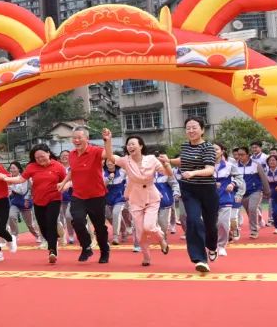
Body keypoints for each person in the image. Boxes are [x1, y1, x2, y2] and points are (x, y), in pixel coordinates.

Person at [101, 130, 172, 267]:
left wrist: (167, 164)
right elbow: (110, 157)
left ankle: (161, 239)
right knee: (140, 233)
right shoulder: (126, 161)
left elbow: (168, 173)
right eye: (128, 145)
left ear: (140, 146)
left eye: (133, 144)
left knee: (149, 226)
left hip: (151, 197)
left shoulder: (151, 159)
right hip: (135, 198)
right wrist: (108, 141)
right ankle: (146, 257)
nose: (130, 147)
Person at [165, 117, 219, 273]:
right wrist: (167, 160)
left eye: (194, 127)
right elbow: (183, 160)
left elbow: (210, 170)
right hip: (189, 190)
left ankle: (212, 246)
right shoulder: (184, 146)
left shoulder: (208, 147)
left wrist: (193, 173)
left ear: (202, 130)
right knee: (193, 221)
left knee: (211, 225)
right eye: (188, 128)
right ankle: (200, 259)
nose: (191, 131)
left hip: (207, 189)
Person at [2, 145, 67, 265]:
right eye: (37, 158)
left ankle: (52, 250)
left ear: (48, 153)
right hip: (38, 200)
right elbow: (21, 179)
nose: (40, 159)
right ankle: (53, 241)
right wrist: (5, 178)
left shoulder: (58, 166)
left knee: (51, 222)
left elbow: (66, 180)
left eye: (42, 156)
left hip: (54, 199)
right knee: (42, 226)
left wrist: (63, 186)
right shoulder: (31, 167)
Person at [58, 128, 111, 264]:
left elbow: (109, 156)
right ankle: (86, 247)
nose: (76, 140)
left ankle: (104, 250)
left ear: (87, 138)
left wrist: (108, 140)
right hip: (78, 195)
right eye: (74, 138)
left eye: (79, 137)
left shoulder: (95, 151)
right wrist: (63, 182)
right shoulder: (72, 154)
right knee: (76, 220)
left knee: (99, 226)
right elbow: (73, 171)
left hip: (96, 195)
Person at [213, 143, 245, 257]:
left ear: (222, 151)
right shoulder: (205, 166)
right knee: (211, 225)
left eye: (216, 149)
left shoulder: (229, 165)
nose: (214, 151)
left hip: (225, 198)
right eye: (211, 149)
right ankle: (212, 246)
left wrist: (233, 183)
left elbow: (239, 178)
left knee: (223, 223)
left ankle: (221, 246)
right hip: (209, 199)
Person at [233, 146, 269, 239]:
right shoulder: (234, 166)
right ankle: (258, 220)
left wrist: (267, 191)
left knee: (252, 208)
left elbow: (263, 178)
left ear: (248, 155)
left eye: (242, 155)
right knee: (249, 211)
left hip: (255, 191)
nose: (239, 157)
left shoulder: (256, 164)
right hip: (242, 193)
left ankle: (254, 230)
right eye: (238, 155)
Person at [4, 161, 41, 249]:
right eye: (11, 168)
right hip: (15, 202)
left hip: (25, 201)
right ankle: (14, 235)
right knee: (11, 216)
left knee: (29, 224)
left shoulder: (23, 177)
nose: (12, 170)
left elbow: (22, 191)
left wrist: (11, 185)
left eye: (14, 168)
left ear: (19, 169)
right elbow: (8, 191)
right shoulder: (9, 178)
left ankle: (37, 235)